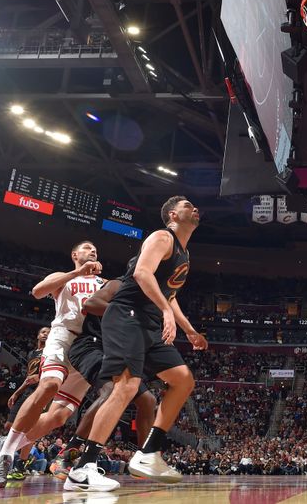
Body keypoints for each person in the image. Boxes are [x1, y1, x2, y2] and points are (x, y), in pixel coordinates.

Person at [64, 196, 208, 492]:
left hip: (150, 323)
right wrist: (166, 311)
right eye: (188, 206)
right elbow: (142, 272)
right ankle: (83, 468)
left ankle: (148, 453)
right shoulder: (161, 237)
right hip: (126, 315)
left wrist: (190, 330)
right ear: (172, 214)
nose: (195, 209)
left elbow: (170, 296)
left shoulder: (184, 253)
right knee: (127, 386)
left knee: (182, 380)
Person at [0, 241, 104, 487]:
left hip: (91, 346)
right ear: (74, 254)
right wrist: (77, 273)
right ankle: (5, 455)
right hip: (64, 337)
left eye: (95, 250)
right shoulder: (64, 276)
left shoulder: (103, 283)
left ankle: (4, 443)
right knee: (49, 384)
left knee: (59, 416)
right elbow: (38, 291)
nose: (92, 251)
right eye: (87, 248)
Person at [48, 275, 157, 480]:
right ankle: (68, 456)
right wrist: (125, 315)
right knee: (110, 392)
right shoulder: (120, 285)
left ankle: (143, 460)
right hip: (89, 345)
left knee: (148, 400)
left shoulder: (148, 301)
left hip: (114, 352)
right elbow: (91, 303)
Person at [4, 326, 49, 481]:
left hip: (41, 391)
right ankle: (12, 454)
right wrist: (16, 393)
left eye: (49, 334)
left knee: (29, 429)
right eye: (43, 332)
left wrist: (41, 378)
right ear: (38, 335)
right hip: (28, 391)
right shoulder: (32, 353)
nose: (45, 335)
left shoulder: (50, 351)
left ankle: (20, 463)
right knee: (9, 425)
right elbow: (30, 376)